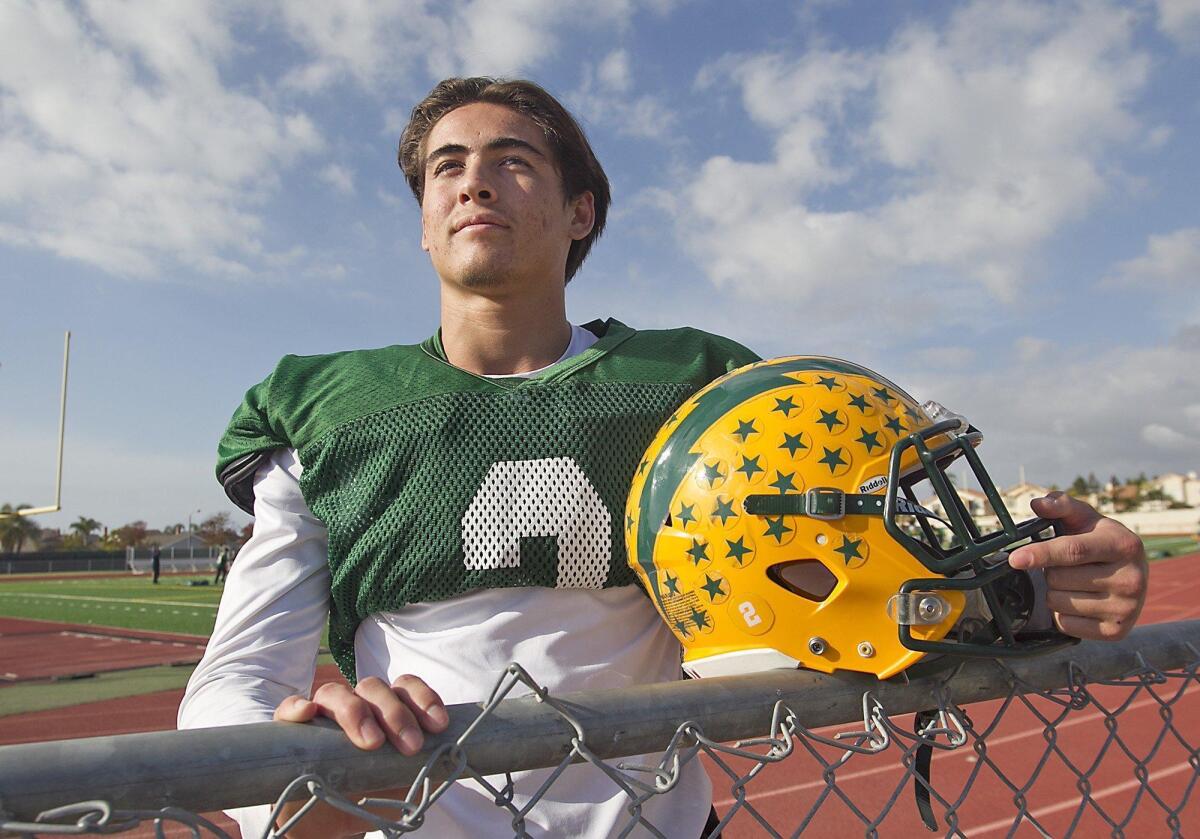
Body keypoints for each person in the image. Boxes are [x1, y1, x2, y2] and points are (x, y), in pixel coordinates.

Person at [178, 77, 1149, 838]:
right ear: (425, 219)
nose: (472, 179)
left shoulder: (695, 385)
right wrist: (304, 785)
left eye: (513, 160)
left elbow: (827, 590)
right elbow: (231, 680)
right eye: (446, 167)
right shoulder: (330, 406)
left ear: (581, 214)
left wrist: (1026, 598)